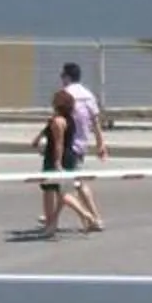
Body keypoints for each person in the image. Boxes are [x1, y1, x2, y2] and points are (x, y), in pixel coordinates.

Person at [35, 85, 102, 235]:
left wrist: (57, 163)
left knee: (61, 193)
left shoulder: (58, 121)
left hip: (58, 158)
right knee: (56, 191)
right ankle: (51, 224)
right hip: (65, 156)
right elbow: (44, 135)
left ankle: (86, 214)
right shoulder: (67, 119)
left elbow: (59, 144)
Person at [59, 59, 107, 231]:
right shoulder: (88, 95)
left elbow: (58, 121)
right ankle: (51, 219)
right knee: (71, 183)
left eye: (62, 75)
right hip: (81, 145)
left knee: (71, 185)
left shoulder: (65, 94)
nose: (61, 78)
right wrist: (101, 144)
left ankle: (93, 218)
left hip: (67, 146)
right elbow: (95, 122)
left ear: (68, 77)